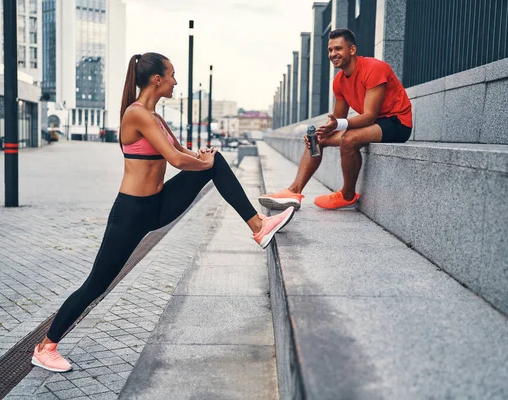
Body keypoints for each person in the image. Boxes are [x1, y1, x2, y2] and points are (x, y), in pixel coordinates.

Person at [31, 53, 295, 372]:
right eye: (172, 75)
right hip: (131, 213)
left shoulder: (156, 116)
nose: (175, 81)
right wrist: (203, 163)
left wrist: (203, 157)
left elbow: (183, 152)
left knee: (216, 161)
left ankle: (258, 225)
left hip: (157, 205)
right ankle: (46, 347)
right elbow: (174, 159)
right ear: (157, 79)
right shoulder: (137, 113)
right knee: (96, 285)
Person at [259, 28, 412, 211]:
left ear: (352, 50)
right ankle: (294, 191)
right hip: (374, 124)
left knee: (349, 139)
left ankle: (347, 196)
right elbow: (338, 119)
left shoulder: (374, 68)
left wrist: (337, 125)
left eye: (338, 49)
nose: (333, 54)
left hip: (397, 122)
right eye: (330, 50)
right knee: (317, 139)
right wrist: (321, 132)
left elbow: (370, 115)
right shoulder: (339, 81)